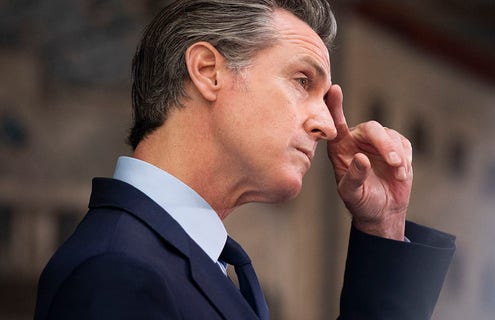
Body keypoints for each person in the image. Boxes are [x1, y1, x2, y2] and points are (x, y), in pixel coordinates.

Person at [34, 0, 455, 319]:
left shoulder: (183, 260)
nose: (328, 124)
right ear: (208, 71)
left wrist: (383, 225)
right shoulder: (116, 271)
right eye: (302, 81)